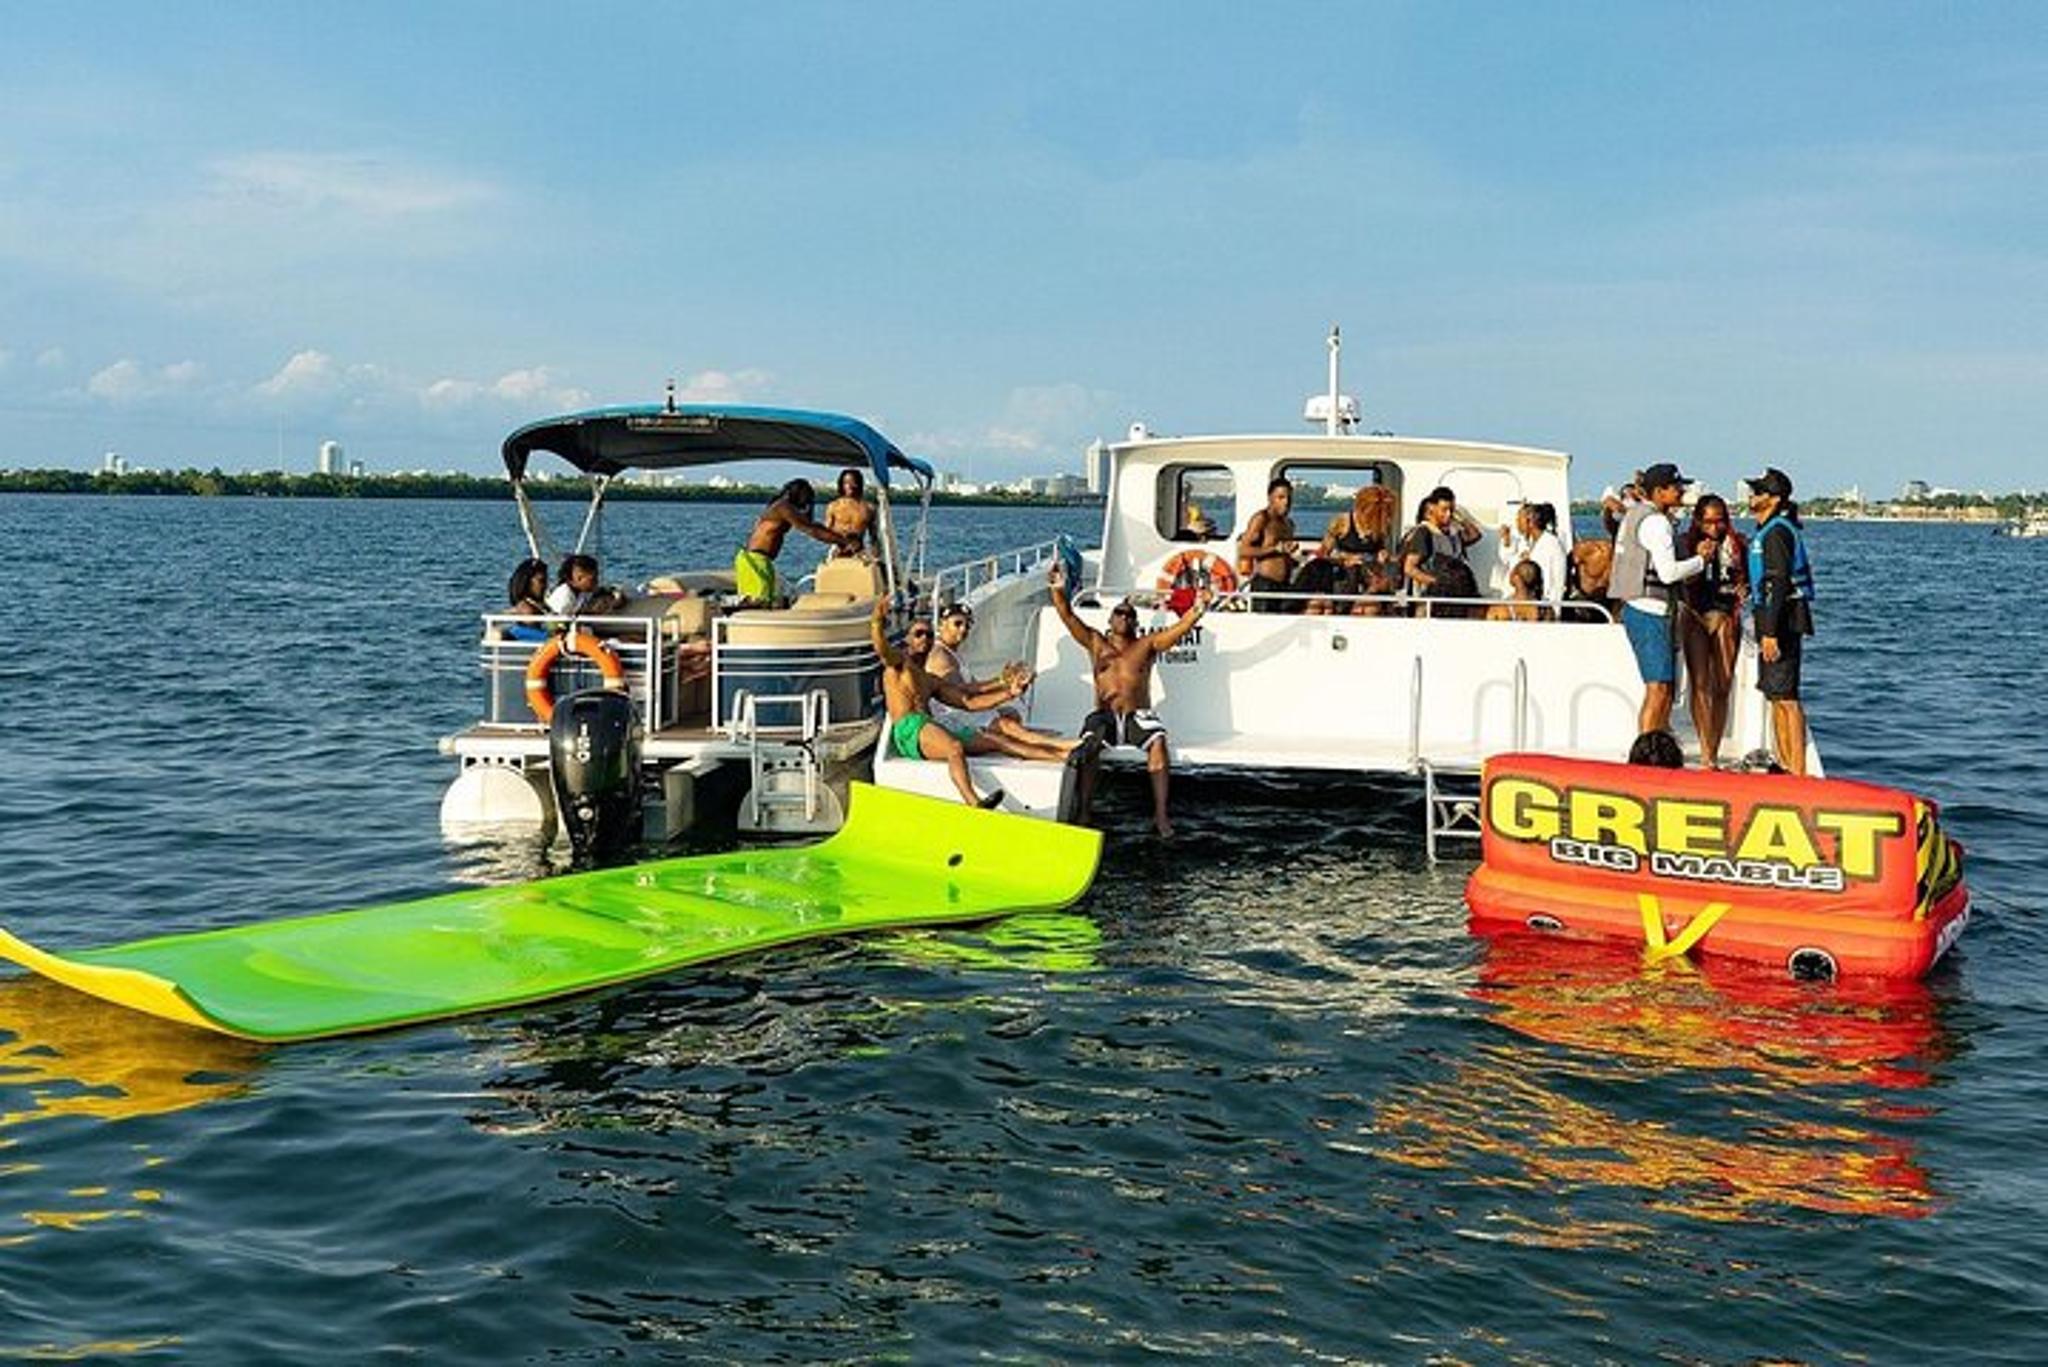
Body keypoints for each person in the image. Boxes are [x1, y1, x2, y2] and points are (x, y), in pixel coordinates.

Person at [1049, 562, 1211, 837]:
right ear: (1110, 620)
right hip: (1104, 715)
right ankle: (1085, 810)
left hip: (1139, 716)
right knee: (1089, 745)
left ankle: (1160, 815)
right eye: (1119, 613)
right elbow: (1066, 614)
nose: (1124, 617)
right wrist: (1056, 587)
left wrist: (1199, 608)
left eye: (1129, 615)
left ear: (1136, 623)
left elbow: (1181, 628)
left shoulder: (1146, 645)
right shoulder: (1096, 643)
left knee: (1158, 743)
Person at [869, 600, 1047, 809]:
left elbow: (968, 702)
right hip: (910, 729)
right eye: (918, 634)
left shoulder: (929, 680)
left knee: (997, 741)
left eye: (928, 634)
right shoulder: (899, 665)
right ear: (908, 639)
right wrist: (877, 622)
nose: (924, 638)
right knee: (955, 747)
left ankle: (1063, 757)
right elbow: (882, 650)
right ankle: (974, 803)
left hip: (929, 726)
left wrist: (1010, 692)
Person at [1609, 462, 1705, 740]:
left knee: (1661, 686)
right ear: (1660, 491)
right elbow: (1668, 572)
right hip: (1651, 611)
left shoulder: (1634, 515)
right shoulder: (1657, 523)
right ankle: (1647, 752)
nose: (1681, 491)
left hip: (1637, 607)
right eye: (1676, 487)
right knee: (1659, 688)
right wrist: (1701, 560)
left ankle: (1655, 745)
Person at [925, 602, 1081, 760]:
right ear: (941, 624)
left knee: (1011, 715)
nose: (963, 629)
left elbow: (974, 687)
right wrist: (1002, 682)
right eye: (957, 624)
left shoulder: (951, 653)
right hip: (954, 716)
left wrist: (1006, 681)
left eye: (967, 625)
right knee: (1007, 725)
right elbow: (962, 692)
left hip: (962, 710)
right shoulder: (940, 656)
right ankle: (1060, 748)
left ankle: (1041, 746)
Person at [1746, 466, 1816, 776]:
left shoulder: (1777, 532)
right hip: (1769, 618)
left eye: (1758, 491)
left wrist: (1771, 632)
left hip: (1783, 620)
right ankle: (1785, 762)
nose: (1752, 496)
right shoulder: (1768, 530)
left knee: (1786, 697)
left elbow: (1777, 581)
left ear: (1773, 499)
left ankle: (1797, 769)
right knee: (1774, 694)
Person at [1674, 494, 1749, 769]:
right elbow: (1683, 580)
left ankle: (1713, 749)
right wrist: (1700, 559)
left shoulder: (1738, 543)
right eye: (1708, 522)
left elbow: (1747, 578)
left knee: (1722, 686)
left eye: (1720, 522)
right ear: (1697, 520)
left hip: (1726, 614)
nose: (1714, 528)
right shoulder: (1684, 542)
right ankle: (1707, 752)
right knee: (1701, 685)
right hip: (1695, 613)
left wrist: (1745, 588)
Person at [736, 479, 854, 604]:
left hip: (760, 561)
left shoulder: (782, 506)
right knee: (757, 604)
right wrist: (844, 542)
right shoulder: (783, 507)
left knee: (765, 602)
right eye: (806, 498)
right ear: (797, 494)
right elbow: (811, 529)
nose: (806, 503)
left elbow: (812, 525)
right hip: (755, 562)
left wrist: (841, 538)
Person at [1400, 485, 1483, 612]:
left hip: (1455, 597)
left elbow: (1475, 535)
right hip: (1430, 599)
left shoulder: (1453, 534)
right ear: (1432, 508)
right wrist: (1437, 582)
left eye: (1451, 510)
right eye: (1444, 510)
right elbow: (1409, 568)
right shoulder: (1424, 532)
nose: (1448, 514)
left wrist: (1461, 518)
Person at [1236, 477, 1298, 612]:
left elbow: (1282, 553)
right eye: (1280, 498)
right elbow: (1244, 550)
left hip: (1284, 586)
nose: (1286, 502)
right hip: (1265, 584)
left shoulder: (1289, 524)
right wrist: (1274, 549)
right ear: (1270, 498)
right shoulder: (1262, 519)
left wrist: (1291, 555)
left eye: (1289, 498)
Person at [546, 553, 627, 617]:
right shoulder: (565, 596)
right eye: (593, 580)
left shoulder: (581, 592)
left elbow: (604, 591)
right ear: (578, 579)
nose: (597, 582)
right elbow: (555, 623)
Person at [823, 468, 875, 559]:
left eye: (853, 482)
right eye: (846, 483)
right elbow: (825, 533)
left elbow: (874, 536)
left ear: (859, 484)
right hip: (837, 549)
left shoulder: (869, 508)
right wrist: (841, 538)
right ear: (841, 485)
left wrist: (875, 554)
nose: (850, 486)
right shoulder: (833, 506)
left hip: (860, 550)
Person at [504, 557, 552, 642]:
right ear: (527, 583)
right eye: (541, 581)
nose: (545, 586)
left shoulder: (539, 605)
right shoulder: (526, 608)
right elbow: (534, 634)